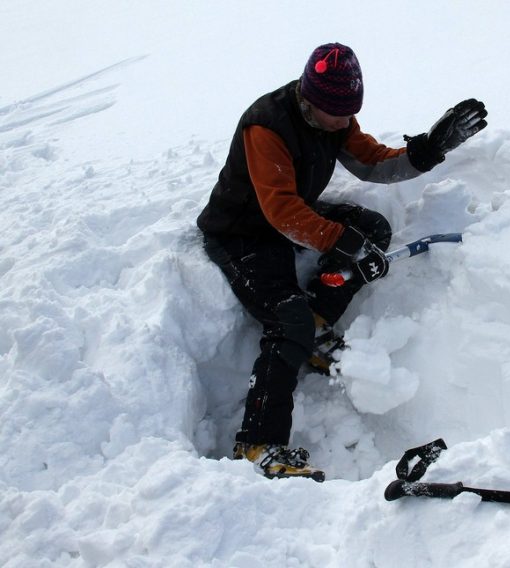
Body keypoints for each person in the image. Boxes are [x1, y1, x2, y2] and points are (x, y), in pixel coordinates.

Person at [196, 42, 487, 480]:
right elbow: (282, 212)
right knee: (285, 320)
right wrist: (342, 243)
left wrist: (426, 151)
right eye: (337, 114)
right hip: (243, 233)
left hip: (287, 220)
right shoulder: (267, 127)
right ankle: (258, 443)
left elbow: (372, 163)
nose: (344, 122)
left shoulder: (336, 117)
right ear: (310, 99)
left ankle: (317, 322)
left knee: (372, 230)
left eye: (350, 112)